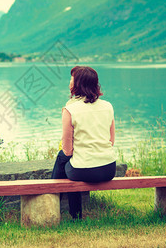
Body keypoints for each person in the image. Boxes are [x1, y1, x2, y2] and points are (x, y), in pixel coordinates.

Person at [51, 66, 116, 219]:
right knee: (67, 162)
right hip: (108, 169)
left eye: (71, 80)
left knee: (62, 159)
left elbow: (67, 149)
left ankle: (55, 204)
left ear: (77, 84)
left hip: (85, 170)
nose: (69, 83)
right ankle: (74, 214)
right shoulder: (108, 106)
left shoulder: (70, 109)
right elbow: (111, 141)